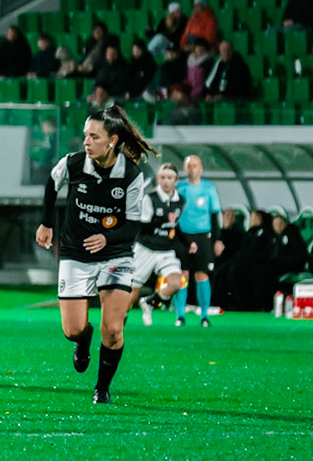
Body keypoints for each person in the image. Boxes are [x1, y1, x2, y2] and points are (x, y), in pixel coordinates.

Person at [36, 106, 156, 404]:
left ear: (112, 140)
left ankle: (102, 388)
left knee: (113, 330)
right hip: (76, 255)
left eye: (94, 136)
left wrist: (107, 237)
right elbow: (51, 185)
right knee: (72, 329)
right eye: (85, 135)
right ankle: (83, 340)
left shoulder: (130, 174)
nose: (86, 141)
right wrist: (46, 222)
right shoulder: (73, 164)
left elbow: (133, 226)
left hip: (116, 256)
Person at [125, 164, 185, 326]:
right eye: (163, 178)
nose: (166, 181)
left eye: (170, 178)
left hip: (166, 250)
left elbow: (175, 227)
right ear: (158, 179)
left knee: (176, 282)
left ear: (176, 180)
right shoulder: (150, 199)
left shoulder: (180, 201)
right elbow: (143, 228)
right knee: (132, 293)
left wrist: (188, 244)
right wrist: (163, 219)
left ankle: (150, 302)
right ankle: (119, 322)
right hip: (146, 249)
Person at [173, 153, 224, 328]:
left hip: (203, 236)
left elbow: (216, 214)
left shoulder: (209, 189)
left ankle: (204, 315)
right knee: (182, 275)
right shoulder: (179, 188)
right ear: (185, 168)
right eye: (189, 165)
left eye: (195, 165)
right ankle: (180, 315)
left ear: (201, 169)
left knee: (202, 274)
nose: (192, 168)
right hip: (182, 236)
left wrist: (218, 239)